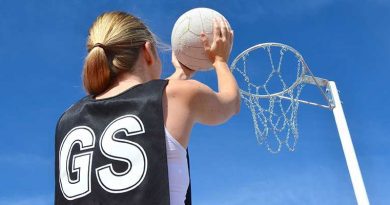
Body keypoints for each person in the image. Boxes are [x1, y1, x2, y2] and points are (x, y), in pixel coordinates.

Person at [54, 11, 239, 205]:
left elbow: (134, 101)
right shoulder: (178, 95)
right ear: (148, 51)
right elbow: (231, 103)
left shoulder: (67, 120)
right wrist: (220, 60)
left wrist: (180, 74)